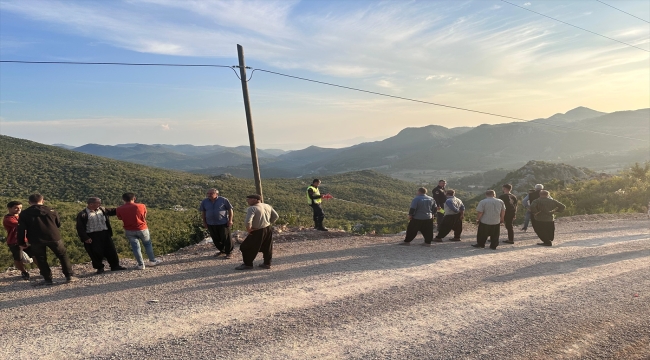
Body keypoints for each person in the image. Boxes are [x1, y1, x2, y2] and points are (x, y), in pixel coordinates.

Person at [17, 194, 77, 285]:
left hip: (35, 239)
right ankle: (69, 276)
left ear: (29, 202)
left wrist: (21, 242)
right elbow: (58, 224)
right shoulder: (51, 211)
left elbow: (21, 229)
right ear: (43, 201)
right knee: (62, 255)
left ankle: (48, 279)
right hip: (54, 237)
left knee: (41, 259)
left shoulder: (24, 214)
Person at [75, 197, 127, 274]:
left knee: (111, 250)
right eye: (98, 203)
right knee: (95, 252)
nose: (100, 204)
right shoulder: (83, 214)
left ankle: (115, 266)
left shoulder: (102, 210)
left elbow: (113, 211)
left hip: (105, 233)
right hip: (92, 235)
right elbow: (80, 227)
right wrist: (85, 237)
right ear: (91, 204)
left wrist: (125, 207)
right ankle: (99, 267)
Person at [116, 193, 162, 270]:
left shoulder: (119, 209)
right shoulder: (141, 206)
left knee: (135, 247)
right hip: (142, 228)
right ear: (134, 198)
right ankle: (152, 261)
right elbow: (144, 216)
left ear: (123, 200)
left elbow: (120, 218)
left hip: (129, 230)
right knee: (147, 244)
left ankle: (141, 265)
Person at [236, 194, 279, 270]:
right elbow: (276, 216)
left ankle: (248, 264)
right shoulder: (267, 205)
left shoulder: (252, 208)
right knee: (267, 246)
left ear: (255, 200)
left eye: (249, 199)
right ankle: (267, 263)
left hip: (257, 230)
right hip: (268, 228)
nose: (247, 201)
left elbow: (248, 221)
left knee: (245, 247)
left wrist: (249, 229)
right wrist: (269, 222)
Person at [3, 201, 35, 280]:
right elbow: (21, 225)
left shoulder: (21, 216)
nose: (19, 209)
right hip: (14, 241)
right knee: (18, 258)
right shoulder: (8, 219)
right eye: (16, 208)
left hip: (26, 240)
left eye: (20, 208)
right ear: (9, 208)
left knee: (35, 255)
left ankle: (42, 270)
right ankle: (24, 272)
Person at [200, 189, 234, 259]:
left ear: (216, 194)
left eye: (211, 193)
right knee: (216, 239)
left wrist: (230, 220)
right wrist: (204, 222)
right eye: (208, 193)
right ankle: (222, 250)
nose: (209, 195)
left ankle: (229, 252)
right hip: (210, 223)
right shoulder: (204, 201)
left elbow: (230, 210)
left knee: (226, 238)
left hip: (223, 222)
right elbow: (203, 212)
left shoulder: (223, 200)